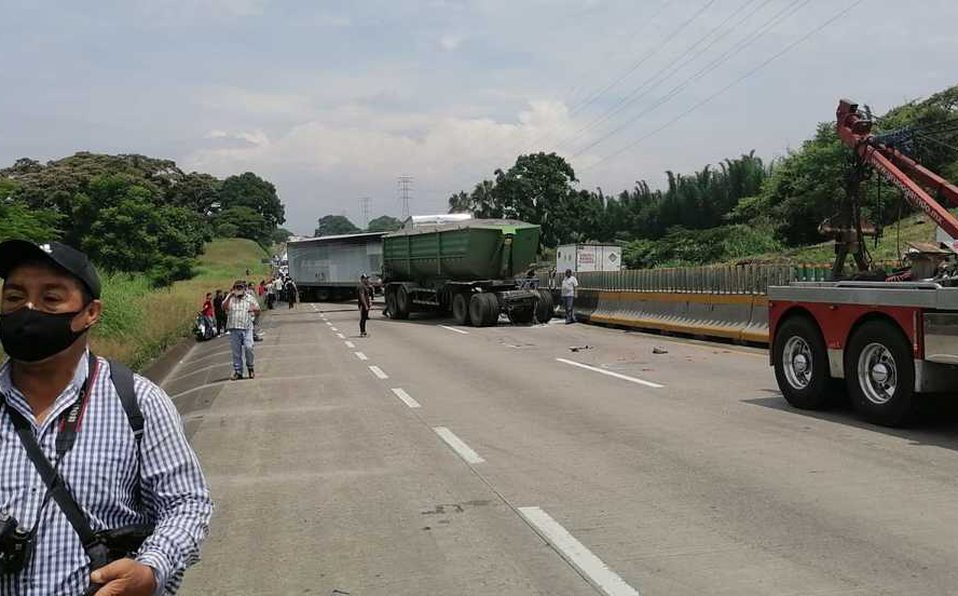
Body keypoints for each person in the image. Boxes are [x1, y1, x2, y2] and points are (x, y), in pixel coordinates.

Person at [0, 239, 213, 595]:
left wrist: (150, 569)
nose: (29, 309)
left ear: (91, 313)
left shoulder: (138, 401)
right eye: (14, 297)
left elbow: (186, 504)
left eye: (51, 298)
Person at [223, 281, 260, 380]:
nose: (239, 289)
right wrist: (229, 296)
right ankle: (238, 371)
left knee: (249, 347)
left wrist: (254, 309)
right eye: (237, 287)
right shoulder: (230, 298)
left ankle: (250, 368)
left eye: (240, 287)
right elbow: (223, 307)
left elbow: (258, 310)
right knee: (236, 352)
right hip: (234, 328)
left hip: (247, 328)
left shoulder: (249, 298)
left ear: (244, 289)